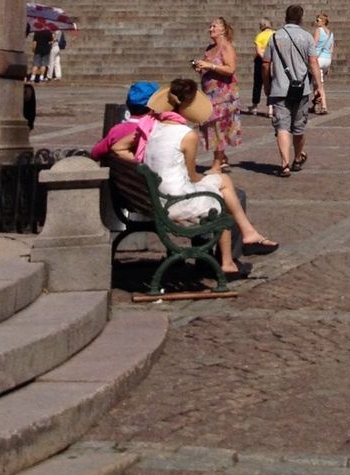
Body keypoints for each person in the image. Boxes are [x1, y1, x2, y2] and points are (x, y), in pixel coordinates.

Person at [111, 79, 278, 279]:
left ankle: (245, 239)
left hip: (149, 196)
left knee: (222, 182)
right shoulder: (185, 134)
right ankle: (229, 260)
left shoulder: (150, 125)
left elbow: (117, 147)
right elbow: (192, 176)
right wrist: (206, 177)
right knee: (223, 196)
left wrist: (142, 163)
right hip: (172, 202)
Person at [263, 5, 325, 177]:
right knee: (298, 127)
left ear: (285, 17)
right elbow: (313, 62)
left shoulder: (275, 37)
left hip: (280, 87)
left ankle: (284, 164)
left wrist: (267, 84)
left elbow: (265, 63)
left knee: (282, 126)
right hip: (301, 89)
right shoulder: (306, 37)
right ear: (301, 18)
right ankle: (297, 158)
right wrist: (318, 87)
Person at [193, 16, 241, 172]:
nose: (210, 29)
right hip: (210, 95)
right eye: (210, 26)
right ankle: (222, 159)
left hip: (224, 96)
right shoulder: (209, 48)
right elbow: (211, 66)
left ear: (223, 30)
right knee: (213, 128)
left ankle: (216, 165)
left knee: (219, 129)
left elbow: (230, 69)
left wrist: (210, 65)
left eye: (214, 26)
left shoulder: (226, 47)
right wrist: (201, 67)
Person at [246, 18, 273, 114]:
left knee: (257, 84)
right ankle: (270, 107)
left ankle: (255, 106)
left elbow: (259, 51)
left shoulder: (259, 36)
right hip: (272, 61)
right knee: (272, 83)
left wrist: (264, 58)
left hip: (260, 61)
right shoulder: (275, 34)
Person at [313, 13, 335, 113]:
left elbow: (314, 44)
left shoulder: (319, 30)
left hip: (318, 59)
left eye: (318, 20)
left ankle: (324, 105)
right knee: (316, 83)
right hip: (327, 59)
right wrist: (329, 66)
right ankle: (315, 104)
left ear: (323, 21)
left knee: (319, 85)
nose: (316, 22)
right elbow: (331, 49)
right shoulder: (331, 33)